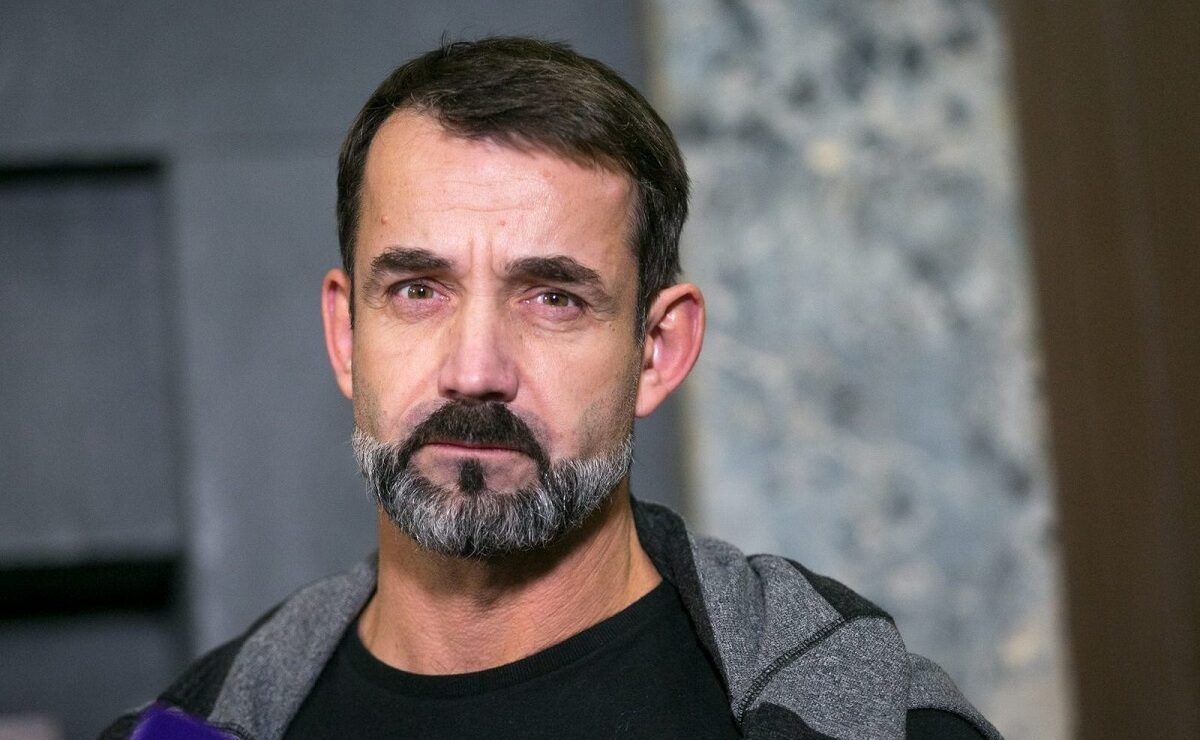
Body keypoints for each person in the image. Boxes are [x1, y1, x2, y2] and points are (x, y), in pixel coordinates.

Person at [103, 37, 1000, 739]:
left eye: (554, 299)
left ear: (658, 350)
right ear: (346, 335)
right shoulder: (203, 724)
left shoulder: (875, 722)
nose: (475, 371)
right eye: (417, 291)